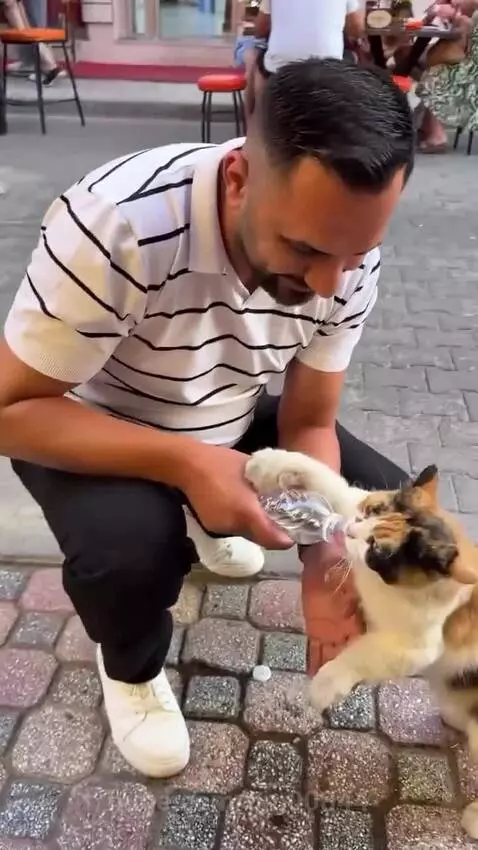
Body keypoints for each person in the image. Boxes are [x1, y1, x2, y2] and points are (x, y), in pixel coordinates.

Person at [0, 59, 414, 778]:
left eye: (356, 256)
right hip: (90, 423)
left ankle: (208, 512)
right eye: (305, 250)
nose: (327, 284)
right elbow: (9, 410)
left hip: (229, 414)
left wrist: (324, 554)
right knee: (130, 549)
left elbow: (311, 419)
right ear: (237, 180)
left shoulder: (344, 255)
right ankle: (129, 667)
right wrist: (188, 464)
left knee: (394, 518)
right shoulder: (117, 221)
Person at [245, 0, 365, 113]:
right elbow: (357, 28)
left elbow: (260, 30)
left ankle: (254, 124)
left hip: (280, 65)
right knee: (352, 57)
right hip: (327, 65)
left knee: (254, 58)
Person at [417, 0, 478, 152]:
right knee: (408, 59)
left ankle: (436, 135)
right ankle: (426, 125)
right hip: (459, 52)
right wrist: (435, 11)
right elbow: (428, 15)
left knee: (436, 73)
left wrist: (455, 12)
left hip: (470, 60)